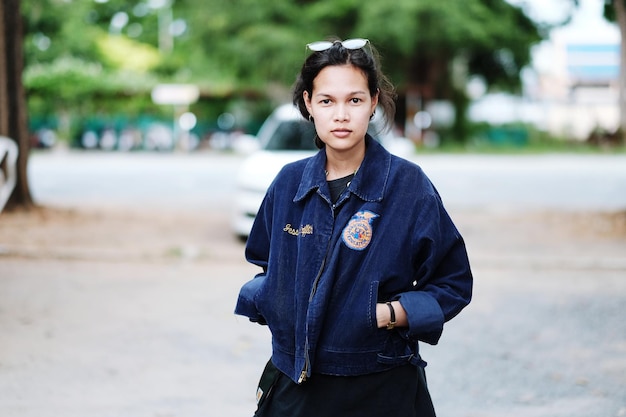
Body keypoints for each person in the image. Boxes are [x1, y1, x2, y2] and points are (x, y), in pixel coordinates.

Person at [235, 37, 473, 417]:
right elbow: (266, 263)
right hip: (295, 385)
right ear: (309, 104)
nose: (341, 114)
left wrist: (387, 314)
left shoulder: (409, 186)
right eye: (327, 101)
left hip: (380, 385)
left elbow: (453, 282)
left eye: (355, 100)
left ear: (374, 103)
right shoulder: (287, 183)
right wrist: (280, 304)